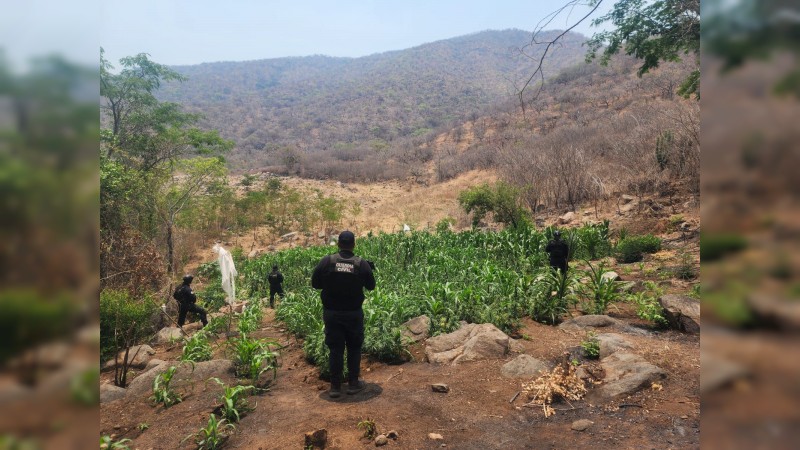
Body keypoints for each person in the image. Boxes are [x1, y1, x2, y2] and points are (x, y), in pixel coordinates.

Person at [311, 230, 376, 398]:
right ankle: (353, 383)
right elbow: (371, 286)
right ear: (353, 244)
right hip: (353, 314)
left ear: (338, 244)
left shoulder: (327, 261)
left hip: (332, 314)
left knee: (335, 349)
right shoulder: (361, 264)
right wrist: (368, 270)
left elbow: (315, 284)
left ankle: (335, 387)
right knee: (354, 348)